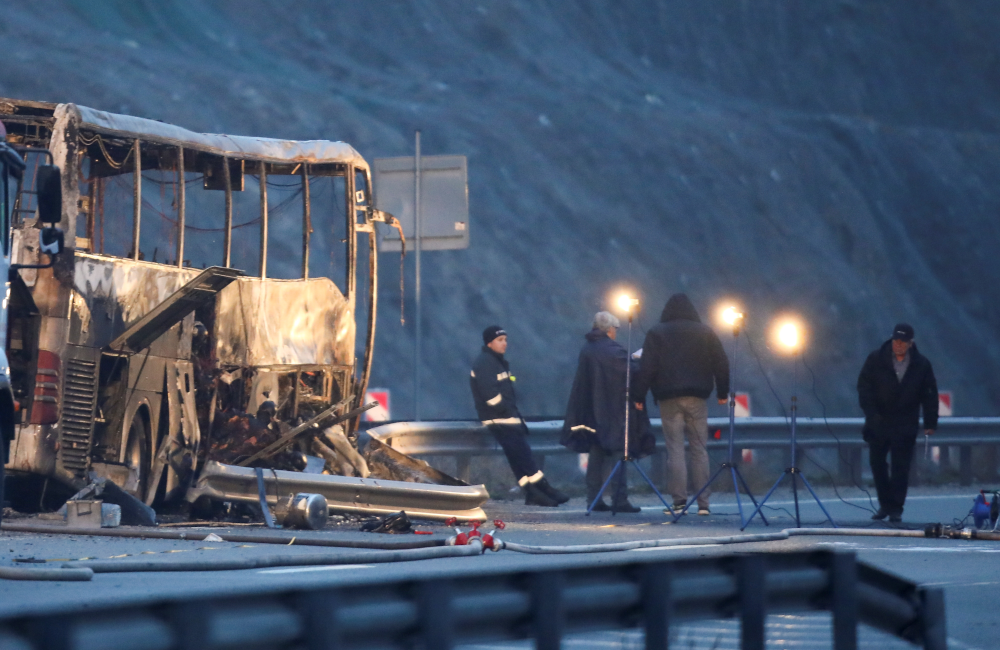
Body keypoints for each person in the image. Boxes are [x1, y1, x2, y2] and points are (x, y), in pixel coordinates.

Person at [631, 293, 729, 515]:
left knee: (675, 450)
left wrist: (639, 396)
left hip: (668, 398)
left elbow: (647, 367)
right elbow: (721, 362)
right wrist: (722, 392)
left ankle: (679, 502)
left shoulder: (657, 333)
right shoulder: (705, 332)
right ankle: (703, 504)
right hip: (696, 398)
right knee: (699, 450)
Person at [562, 312, 655, 513]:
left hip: (592, 411)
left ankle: (593, 499)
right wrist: (636, 359)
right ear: (610, 329)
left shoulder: (587, 349)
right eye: (616, 329)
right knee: (619, 454)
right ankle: (619, 499)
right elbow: (630, 372)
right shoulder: (612, 350)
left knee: (596, 454)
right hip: (613, 411)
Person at [470, 326, 569, 507]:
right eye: (500, 340)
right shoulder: (485, 363)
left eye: (505, 340)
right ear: (489, 343)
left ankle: (532, 492)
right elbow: (490, 396)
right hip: (500, 419)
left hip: (505, 418)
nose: (504, 343)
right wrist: (506, 410)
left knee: (517, 457)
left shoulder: (495, 361)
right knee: (524, 456)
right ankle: (543, 488)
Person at [857, 323, 938, 523]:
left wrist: (930, 422)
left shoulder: (921, 364)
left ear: (911, 343)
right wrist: (872, 414)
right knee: (877, 463)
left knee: (901, 467)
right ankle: (884, 504)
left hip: (905, 422)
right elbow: (864, 387)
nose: (898, 344)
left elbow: (929, 394)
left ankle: (896, 508)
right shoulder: (876, 359)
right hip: (879, 421)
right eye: (896, 340)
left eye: (903, 341)